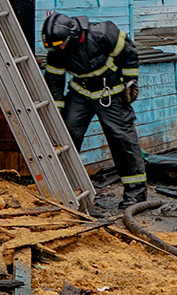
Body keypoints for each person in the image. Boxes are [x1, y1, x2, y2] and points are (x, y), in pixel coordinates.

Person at [42, 12, 147, 208]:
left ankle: (136, 194)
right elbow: (54, 81)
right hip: (80, 92)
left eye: (61, 45)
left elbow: (129, 53)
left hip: (111, 91)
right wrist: (56, 111)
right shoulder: (57, 49)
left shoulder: (103, 33)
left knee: (122, 139)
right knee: (67, 133)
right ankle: (66, 187)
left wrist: (131, 82)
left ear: (72, 36)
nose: (60, 50)